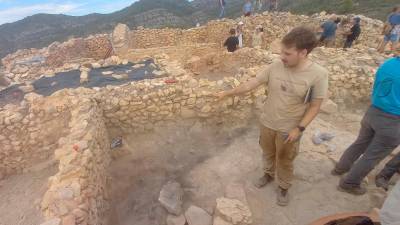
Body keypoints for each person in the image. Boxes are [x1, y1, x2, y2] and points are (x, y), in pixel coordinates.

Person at [215, 27, 328, 206]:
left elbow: (315, 106)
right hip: (267, 122)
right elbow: (253, 83)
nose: (282, 56)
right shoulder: (276, 66)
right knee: (267, 152)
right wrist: (228, 93)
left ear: (303, 52)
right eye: (282, 51)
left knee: (285, 159)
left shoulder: (318, 75)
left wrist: (299, 129)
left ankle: (283, 186)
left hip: (289, 129)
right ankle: (268, 174)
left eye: (287, 53)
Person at [332, 47, 400, 196]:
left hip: (373, 111)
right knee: (372, 156)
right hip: (393, 120)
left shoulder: (389, 63)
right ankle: (349, 183)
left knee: (360, 143)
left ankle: (341, 168)